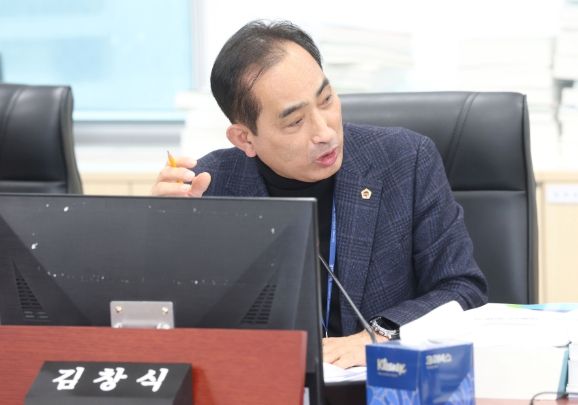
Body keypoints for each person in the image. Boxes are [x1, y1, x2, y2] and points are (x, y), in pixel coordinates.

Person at [152, 20, 488, 369]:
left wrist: (379, 335)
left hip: (380, 381)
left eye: (326, 100)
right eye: (295, 122)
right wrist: (158, 237)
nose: (325, 132)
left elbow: (463, 289)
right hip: (265, 381)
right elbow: (171, 326)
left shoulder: (405, 161)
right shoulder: (209, 188)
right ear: (245, 138)